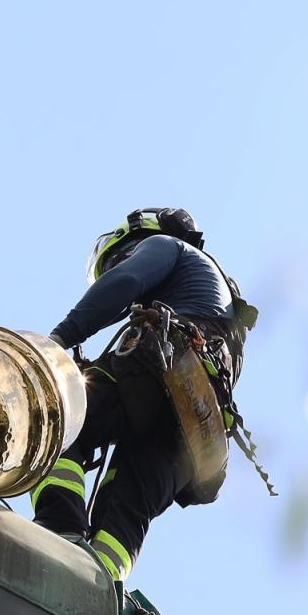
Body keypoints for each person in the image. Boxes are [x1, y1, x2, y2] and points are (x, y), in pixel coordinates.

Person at [31, 207, 250, 582]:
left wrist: (57, 341)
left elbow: (125, 282)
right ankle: (96, 584)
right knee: (127, 504)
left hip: (162, 366)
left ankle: (58, 533)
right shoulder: (222, 315)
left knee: (51, 416)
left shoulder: (167, 246)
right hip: (200, 427)